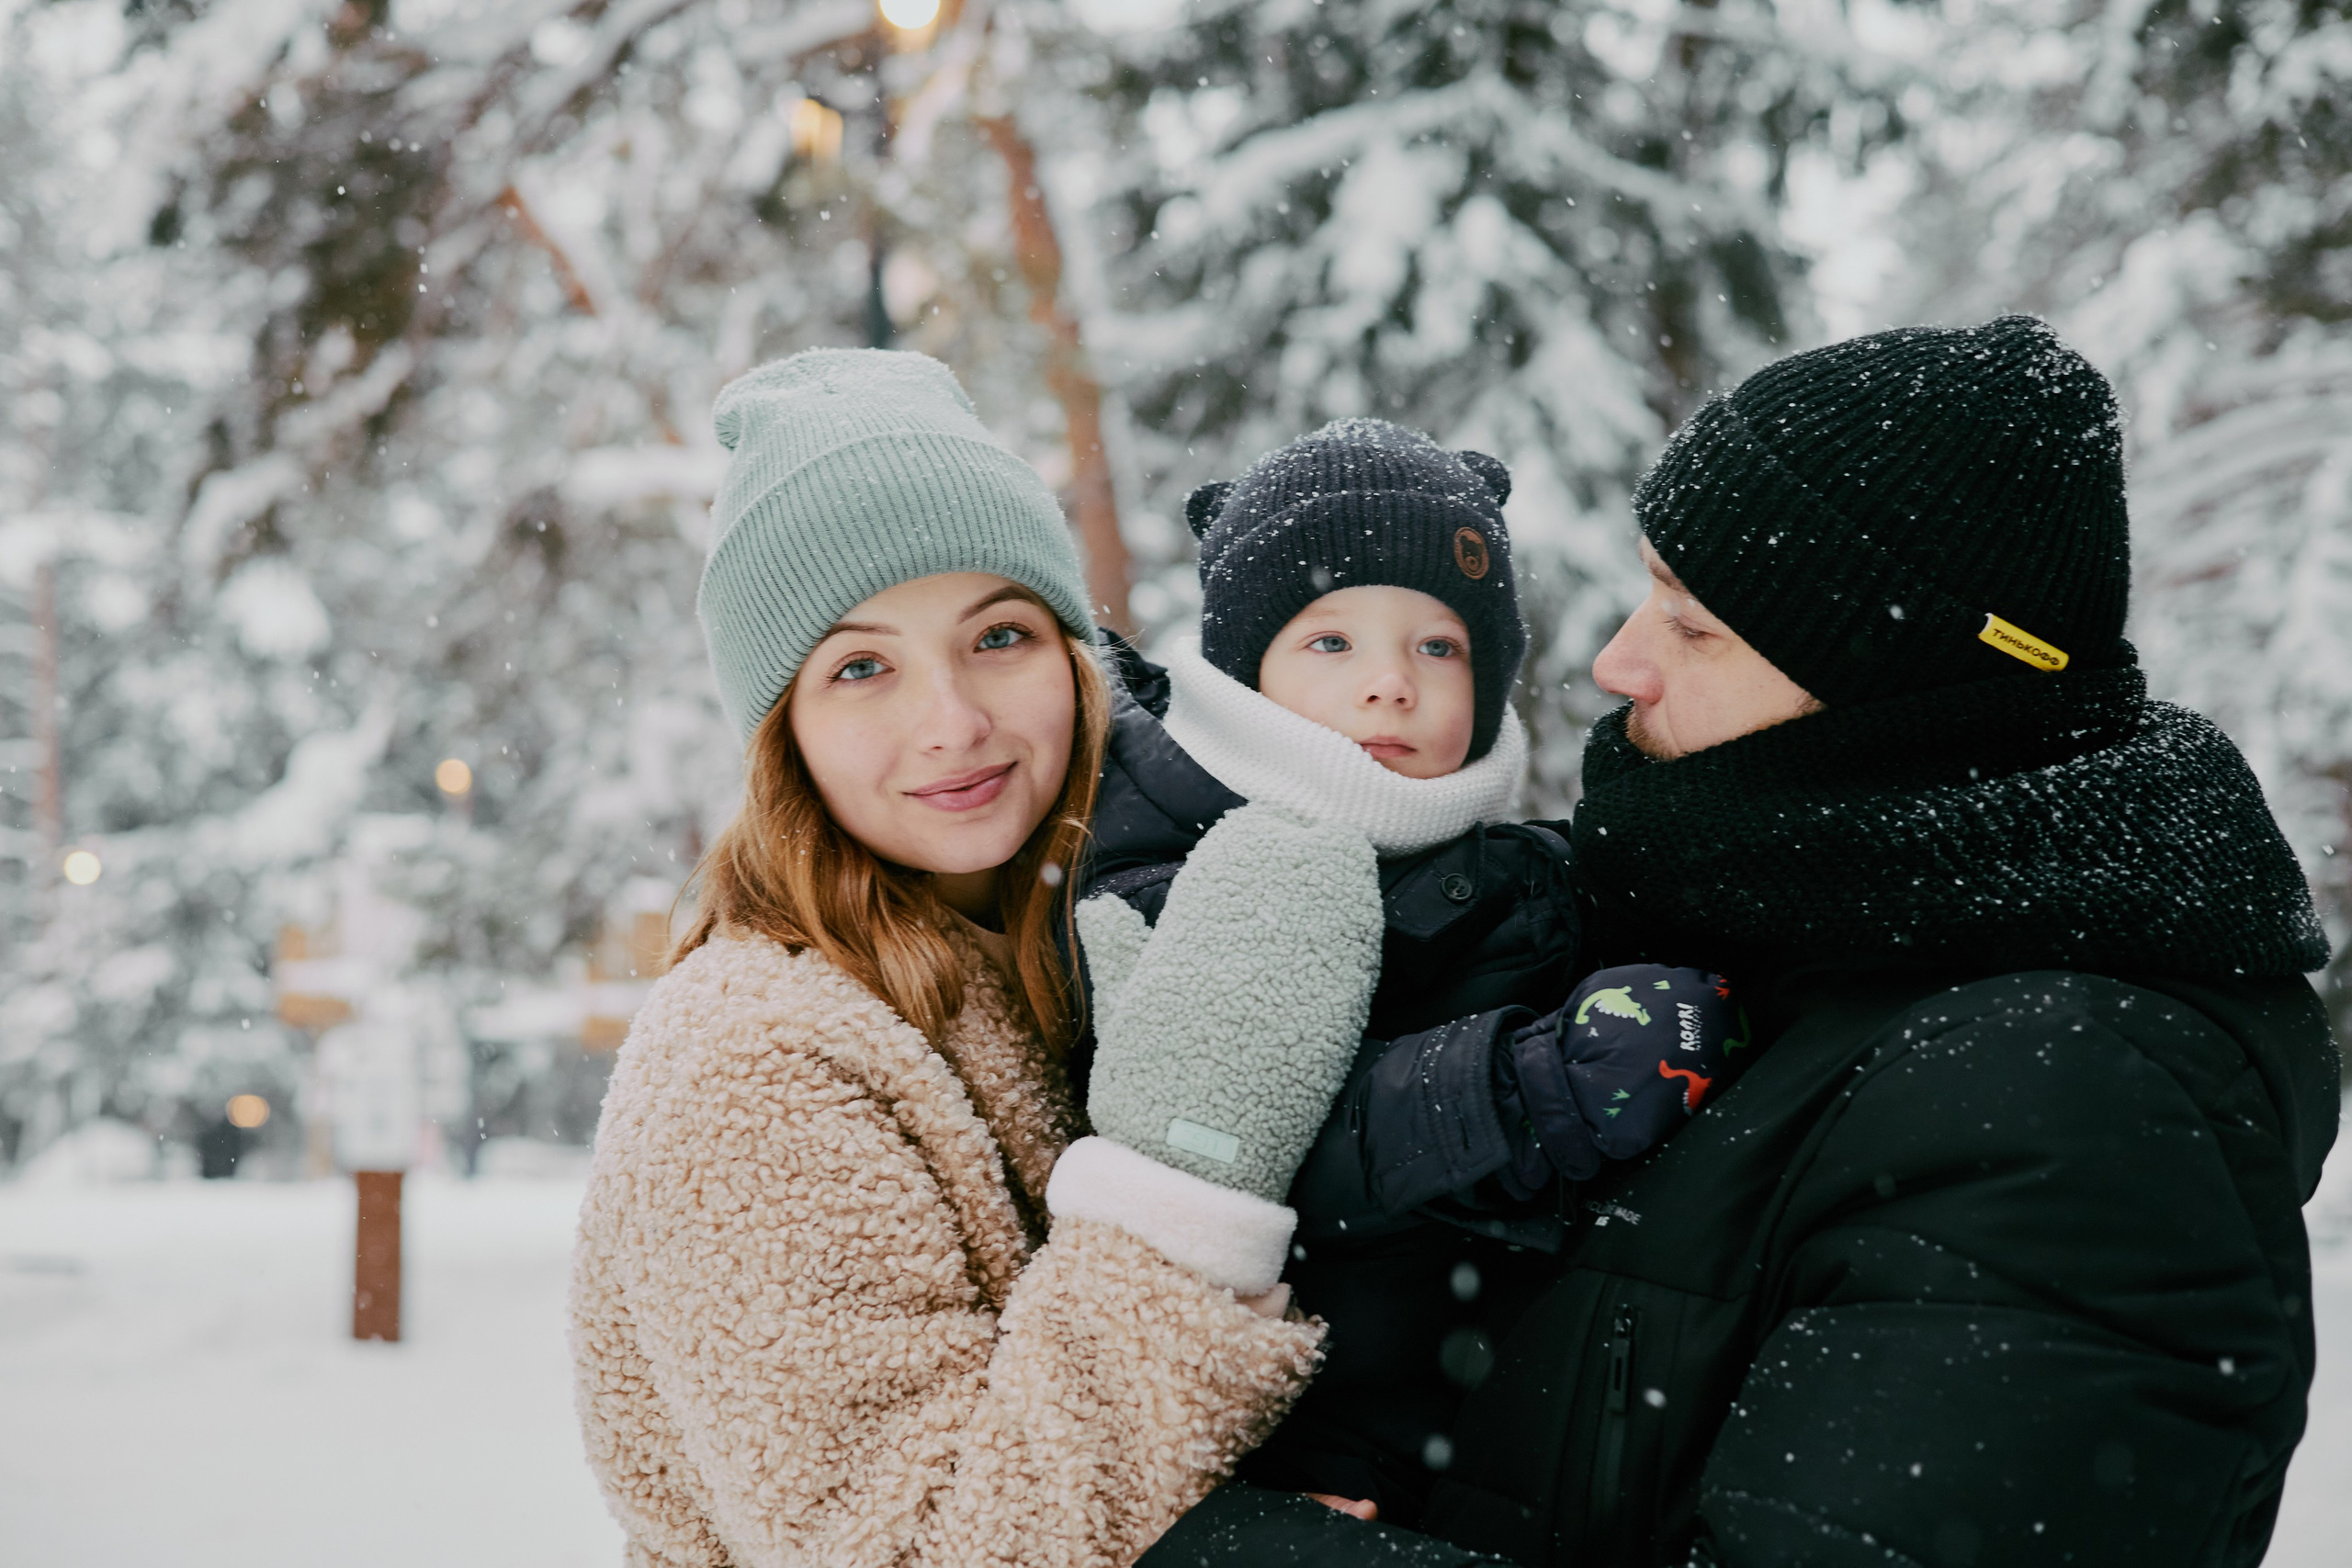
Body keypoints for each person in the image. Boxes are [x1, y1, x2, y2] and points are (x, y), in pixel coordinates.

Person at [1147, 316, 2339, 1567]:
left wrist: (1194, 1542)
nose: (1616, 659)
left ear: (1892, 690)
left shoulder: (2077, 1103)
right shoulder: (1767, 929)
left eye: (1693, 622)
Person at [568, 348, 1394, 1566]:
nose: (952, 719)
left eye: (998, 634)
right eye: (861, 666)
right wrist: (1183, 1187)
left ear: (1073, 652)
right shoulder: (752, 1066)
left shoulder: (1099, 937)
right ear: (781, 730)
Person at [1077, 419, 1744, 1534]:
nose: (1390, 685)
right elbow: (1240, 1124)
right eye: (1329, 643)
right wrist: (1520, 1094)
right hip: (1269, 1443)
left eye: (1438, 647)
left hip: (1494, 1453)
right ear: (1246, 667)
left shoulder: (1524, 874)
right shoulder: (1170, 869)